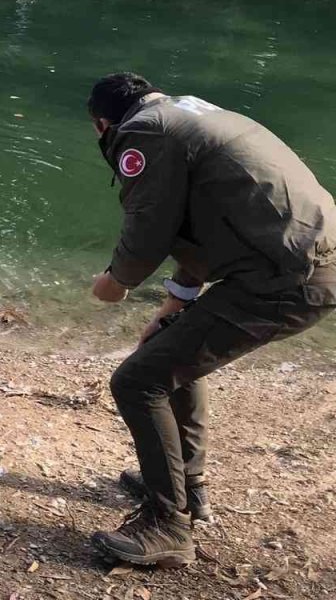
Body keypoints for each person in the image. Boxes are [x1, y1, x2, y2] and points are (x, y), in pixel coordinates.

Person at [83, 72, 336, 567]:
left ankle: (167, 526)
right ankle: (187, 488)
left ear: (102, 124)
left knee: (137, 382)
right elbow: (202, 224)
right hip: (301, 265)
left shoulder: (142, 134)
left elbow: (150, 225)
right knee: (167, 353)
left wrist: (115, 282)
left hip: (286, 279)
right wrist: (171, 308)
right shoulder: (192, 114)